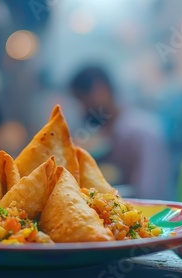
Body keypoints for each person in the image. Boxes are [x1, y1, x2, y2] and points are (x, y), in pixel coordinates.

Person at [69, 66, 171, 199]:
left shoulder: (140, 132)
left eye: (82, 100)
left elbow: (149, 194)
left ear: (101, 90)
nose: (82, 109)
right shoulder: (107, 134)